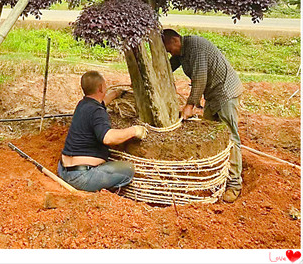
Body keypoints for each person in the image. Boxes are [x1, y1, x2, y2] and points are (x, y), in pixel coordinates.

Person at [161, 28, 244, 203]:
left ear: (175, 40)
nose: (170, 53)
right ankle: (215, 174)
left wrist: (190, 105)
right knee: (210, 135)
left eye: (169, 49)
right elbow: (168, 67)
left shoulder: (196, 47)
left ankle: (234, 184)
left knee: (230, 138)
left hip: (226, 93)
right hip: (213, 96)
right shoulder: (181, 52)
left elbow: (200, 79)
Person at [58, 70, 146, 192]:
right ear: (100, 87)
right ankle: (101, 192)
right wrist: (134, 130)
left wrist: (115, 94)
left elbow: (100, 103)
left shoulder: (83, 104)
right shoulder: (98, 112)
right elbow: (108, 137)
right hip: (82, 177)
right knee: (128, 170)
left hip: (63, 170)